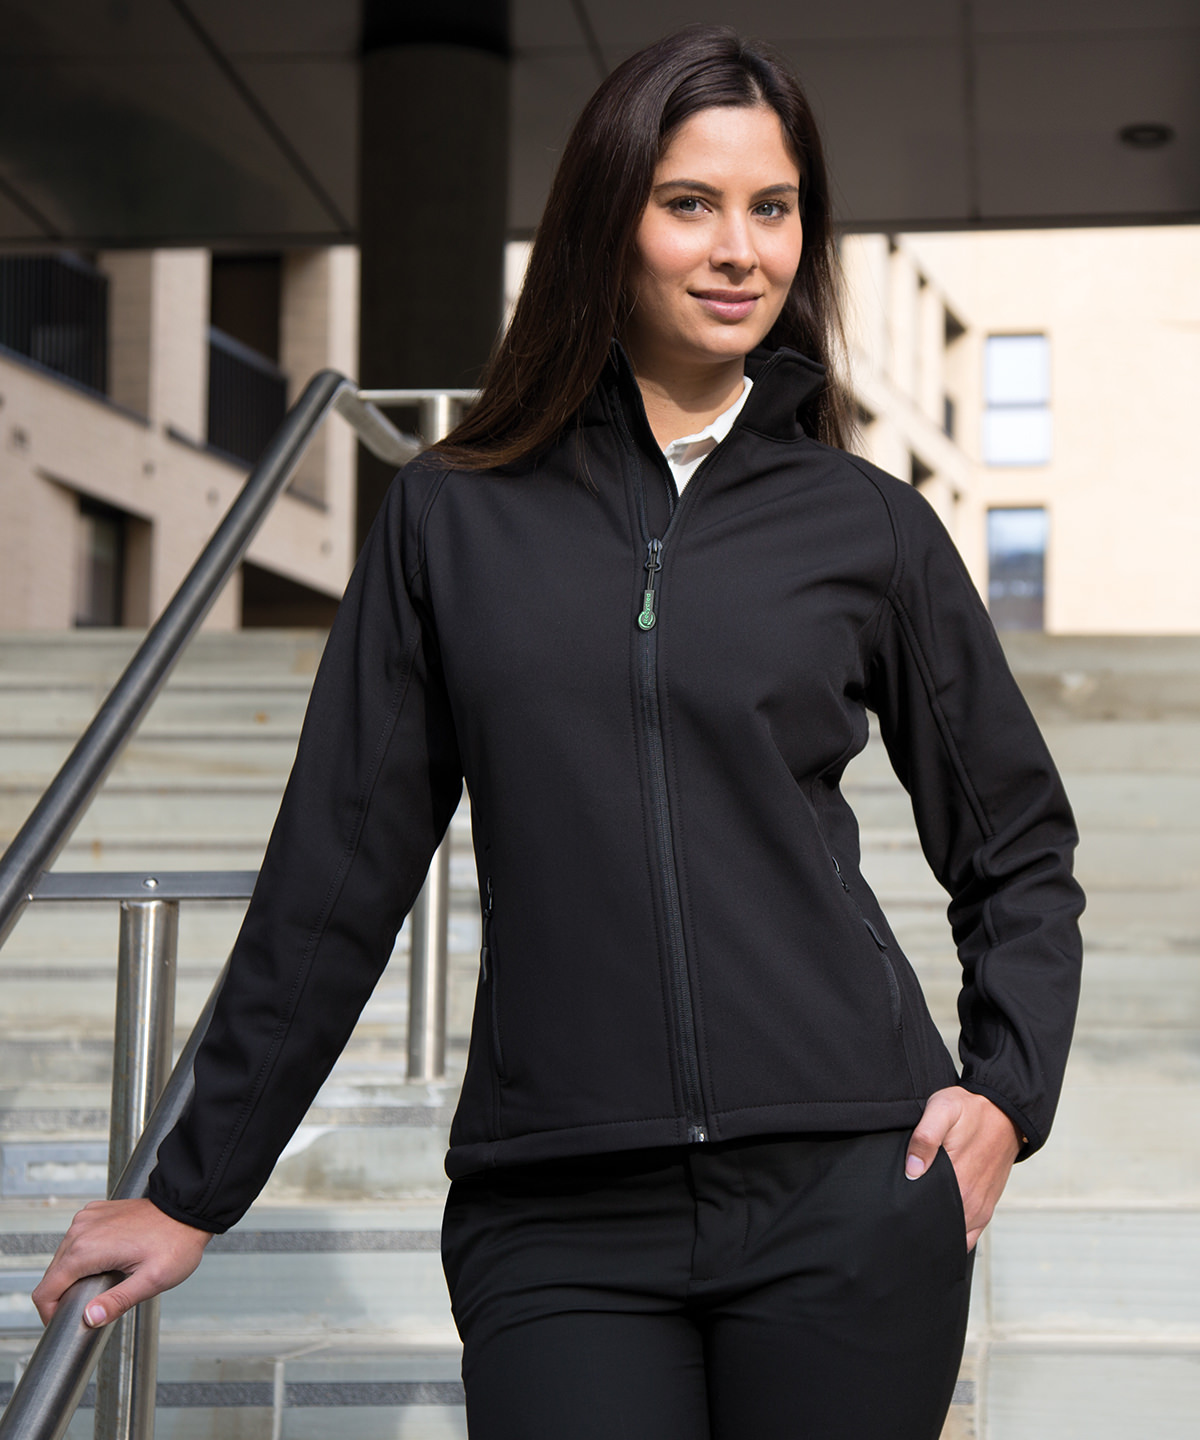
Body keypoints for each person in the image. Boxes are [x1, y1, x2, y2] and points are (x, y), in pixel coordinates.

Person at [34, 26, 1084, 1440]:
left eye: (773, 208)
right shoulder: (451, 516)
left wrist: (1006, 1091)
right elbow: (336, 878)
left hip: (845, 1183)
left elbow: (1017, 847)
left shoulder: (868, 525)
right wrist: (190, 1188)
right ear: (606, 221)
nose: (740, 250)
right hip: (558, 1215)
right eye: (690, 203)